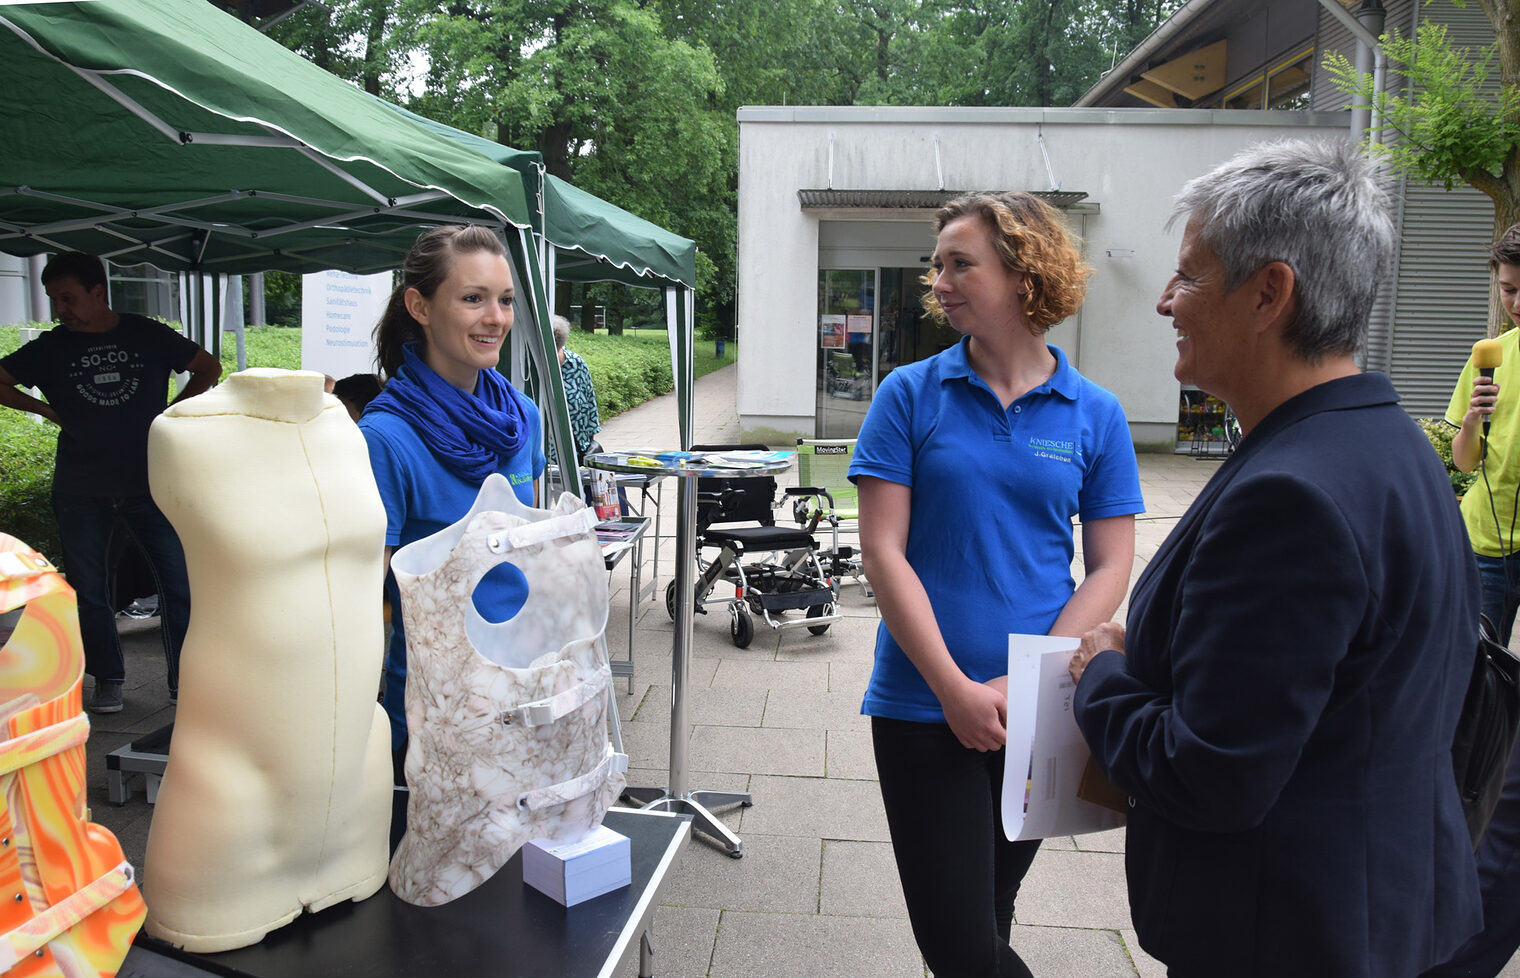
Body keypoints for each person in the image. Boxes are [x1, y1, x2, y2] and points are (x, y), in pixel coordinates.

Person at [1068, 139, 1482, 977]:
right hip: (1374, 912)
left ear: (1269, 293)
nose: (1163, 302)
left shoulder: (1292, 496)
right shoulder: (1391, 445)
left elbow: (1211, 776)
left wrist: (1101, 676)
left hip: (1285, 936)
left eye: (1187, 276)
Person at [848, 191, 1144, 977]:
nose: (938, 280)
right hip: (922, 705)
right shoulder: (908, 395)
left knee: (987, 916)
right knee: (958, 942)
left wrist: (1027, 678)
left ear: (1023, 274)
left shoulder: (1096, 413)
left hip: (1041, 712)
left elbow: (1111, 563)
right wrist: (953, 687)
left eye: (959, 263)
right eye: (936, 264)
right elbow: (882, 552)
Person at [357, 225, 544, 775]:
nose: (496, 318)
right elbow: (370, 601)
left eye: (505, 300)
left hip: (522, 683)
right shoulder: (385, 438)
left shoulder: (522, 419)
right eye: (472, 299)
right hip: (434, 705)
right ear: (419, 305)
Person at [0, 252, 221, 713]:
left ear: (98, 291)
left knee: (178, 584)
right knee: (89, 590)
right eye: (53, 299)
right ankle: (108, 680)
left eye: (68, 297)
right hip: (80, 487)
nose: (61, 308)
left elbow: (208, 367)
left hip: (149, 482)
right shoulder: (50, 347)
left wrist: (170, 414)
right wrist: (45, 410)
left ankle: (186, 683)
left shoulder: (146, 333)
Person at [1424, 225, 1520, 978]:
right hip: (1485, 543)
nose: (1513, 303)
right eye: (1506, 289)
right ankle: (1465, 786)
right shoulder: (1490, 359)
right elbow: (1461, 458)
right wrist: (1480, 414)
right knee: (1470, 683)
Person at [550, 314, 602, 458]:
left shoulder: (576, 364)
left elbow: (591, 408)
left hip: (577, 452)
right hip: (545, 456)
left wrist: (588, 443)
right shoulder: (531, 367)